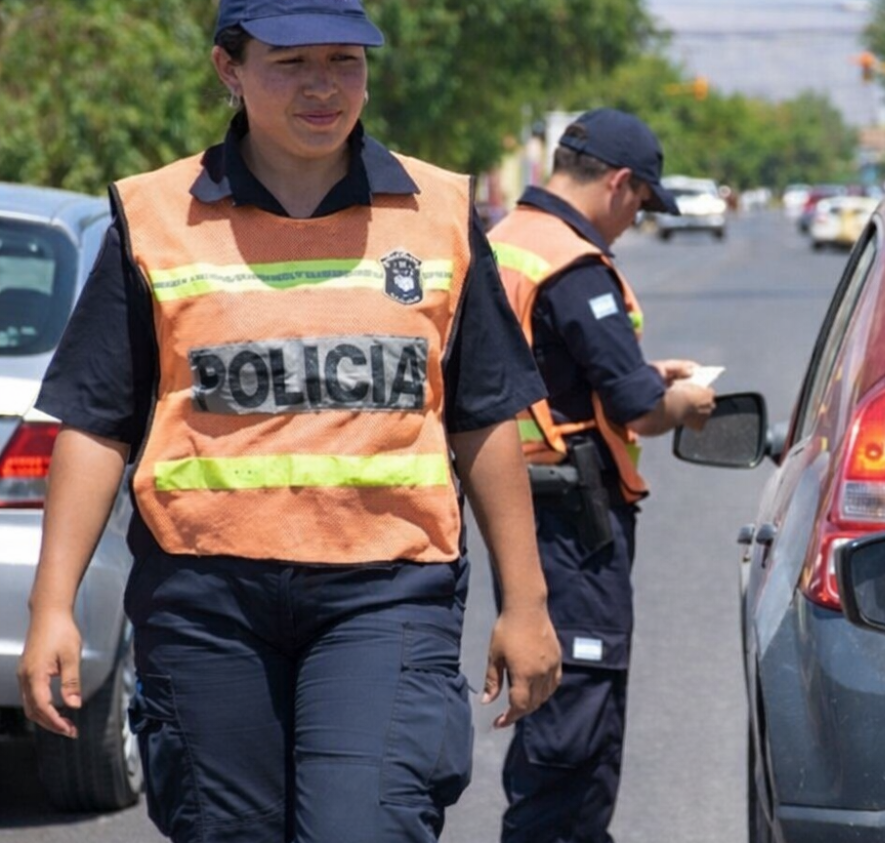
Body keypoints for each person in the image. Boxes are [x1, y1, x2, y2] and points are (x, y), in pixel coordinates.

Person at [16, 2, 562, 841]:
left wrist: (525, 601)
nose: (324, 87)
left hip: (387, 592)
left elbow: (485, 416)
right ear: (229, 70)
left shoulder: (439, 213)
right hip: (206, 600)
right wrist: (53, 604)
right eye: (291, 63)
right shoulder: (156, 217)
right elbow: (95, 423)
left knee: (365, 826)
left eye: (345, 60)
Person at [487, 109, 716, 843]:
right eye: (641, 203)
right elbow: (640, 408)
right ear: (620, 183)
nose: (634, 220)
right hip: (574, 526)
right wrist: (687, 401)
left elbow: (548, 375)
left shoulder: (505, 242)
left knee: (557, 706)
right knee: (575, 723)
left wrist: (642, 374)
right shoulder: (573, 264)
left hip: (522, 509)